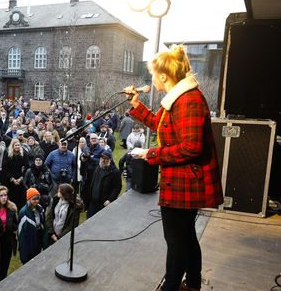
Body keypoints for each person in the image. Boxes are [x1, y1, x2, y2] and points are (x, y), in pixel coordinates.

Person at [125, 45, 223, 291]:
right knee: (186, 237)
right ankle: (192, 284)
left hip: (184, 183)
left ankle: (173, 285)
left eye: (152, 75)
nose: (151, 80)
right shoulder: (179, 98)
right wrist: (137, 105)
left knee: (177, 241)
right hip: (180, 181)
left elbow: (191, 147)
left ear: (164, 76)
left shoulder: (188, 99)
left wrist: (152, 153)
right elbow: (160, 124)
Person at [82, 149, 122, 218]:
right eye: (102, 158)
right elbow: (83, 172)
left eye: (106, 159)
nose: (103, 160)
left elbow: (117, 187)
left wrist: (110, 199)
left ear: (110, 160)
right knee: (89, 221)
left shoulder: (114, 172)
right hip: (93, 202)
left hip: (103, 204)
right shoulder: (98, 168)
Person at [17, 188, 46, 264]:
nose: (36, 201)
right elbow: (21, 233)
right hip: (28, 242)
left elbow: (43, 224)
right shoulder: (23, 212)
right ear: (29, 199)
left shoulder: (40, 209)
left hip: (37, 239)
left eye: (38, 199)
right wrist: (23, 251)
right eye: (34, 199)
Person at [0, 138, 29, 211]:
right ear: (12, 146)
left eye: (18, 145)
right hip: (9, 180)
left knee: (21, 201)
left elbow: (26, 167)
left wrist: (21, 178)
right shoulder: (7, 154)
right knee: (10, 200)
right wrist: (12, 179)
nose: (17, 147)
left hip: (20, 180)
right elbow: (5, 168)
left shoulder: (24, 154)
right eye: (15, 145)